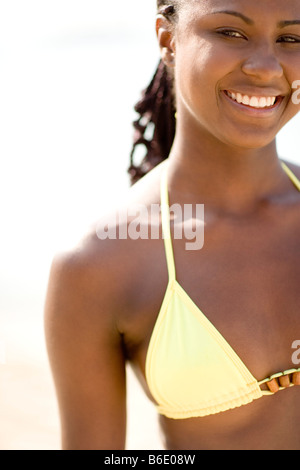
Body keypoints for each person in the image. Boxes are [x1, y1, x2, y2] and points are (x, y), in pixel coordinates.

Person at [44, 0, 300, 450]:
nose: (265, 67)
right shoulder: (98, 265)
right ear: (167, 39)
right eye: (231, 33)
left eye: (292, 39)